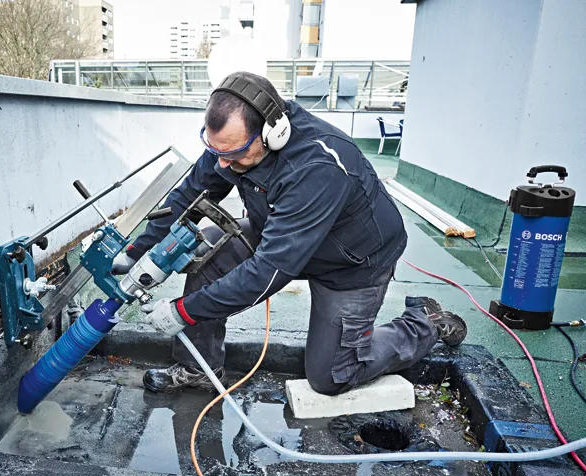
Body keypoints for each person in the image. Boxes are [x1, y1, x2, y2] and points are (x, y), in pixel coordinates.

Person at [113, 71, 467, 395]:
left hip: (352, 263)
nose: (222, 164)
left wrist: (184, 311)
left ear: (273, 133)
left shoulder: (317, 165)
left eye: (234, 154)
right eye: (216, 151)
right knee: (208, 249)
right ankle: (199, 368)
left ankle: (425, 323)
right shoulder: (230, 144)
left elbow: (269, 272)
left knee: (330, 377)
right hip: (281, 232)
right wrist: (137, 249)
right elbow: (190, 193)